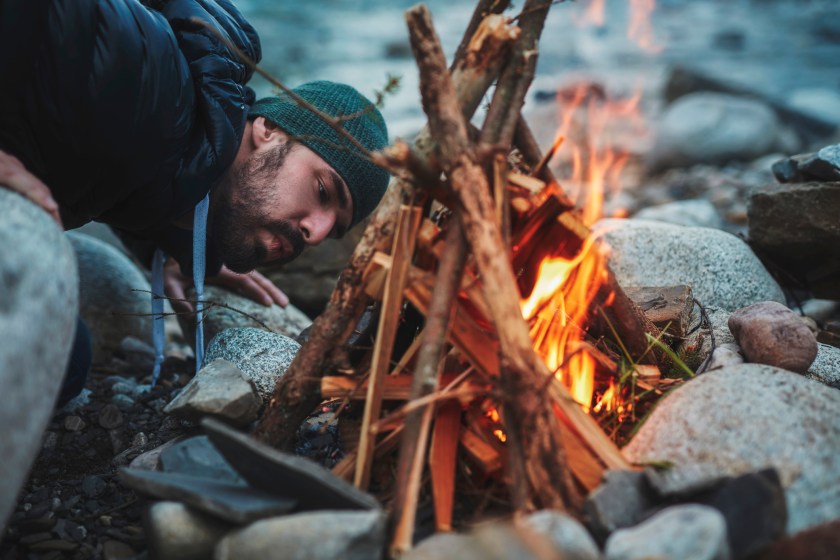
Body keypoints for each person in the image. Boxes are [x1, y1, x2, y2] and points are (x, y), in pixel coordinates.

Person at [0, 0, 390, 406]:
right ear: (269, 129)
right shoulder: (146, 74)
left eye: (334, 230)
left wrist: (175, 242)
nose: (317, 232)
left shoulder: (164, 136)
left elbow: (124, 159)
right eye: (324, 192)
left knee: (63, 360)